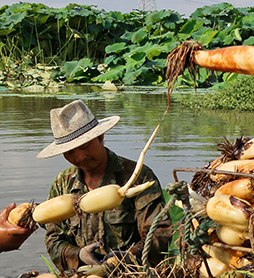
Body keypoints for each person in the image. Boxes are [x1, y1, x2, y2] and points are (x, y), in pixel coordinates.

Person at [37, 100, 172, 272]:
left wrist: (125, 259)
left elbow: (161, 232)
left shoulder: (137, 176)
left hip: (131, 273)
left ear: (101, 137)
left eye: (85, 147)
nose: (79, 157)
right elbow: (53, 238)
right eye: (70, 152)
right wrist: (79, 255)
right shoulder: (62, 183)